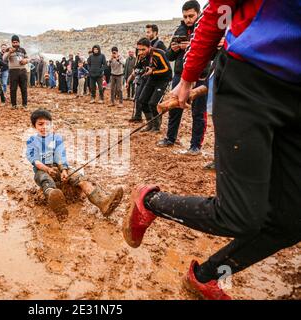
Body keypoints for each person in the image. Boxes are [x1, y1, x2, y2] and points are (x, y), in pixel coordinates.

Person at [123, 0, 301, 300]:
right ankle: (150, 201)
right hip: (252, 79)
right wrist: (187, 78)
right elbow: (219, 12)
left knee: (291, 221)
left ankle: (206, 276)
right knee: (240, 215)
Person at [26, 109, 124, 219]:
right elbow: (35, 160)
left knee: (80, 179)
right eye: (40, 124)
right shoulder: (32, 141)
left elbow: (60, 155)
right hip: (42, 170)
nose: (44, 127)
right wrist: (47, 169)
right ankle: (57, 204)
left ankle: (103, 203)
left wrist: (63, 169)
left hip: (58, 167)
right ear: (34, 126)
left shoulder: (57, 138)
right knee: (45, 180)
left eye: (47, 124)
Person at [158, 0, 209, 155]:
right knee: (175, 108)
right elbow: (168, 56)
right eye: (185, 16)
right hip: (180, 75)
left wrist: (191, 47)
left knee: (198, 112)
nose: (188, 19)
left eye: (191, 16)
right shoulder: (179, 30)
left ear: (198, 14)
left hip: (201, 75)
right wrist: (173, 49)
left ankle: (195, 145)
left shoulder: (205, 28)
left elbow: (210, 50)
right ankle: (170, 138)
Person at [128, 38, 172, 132]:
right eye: (139, 49)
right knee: (142, 101)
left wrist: (153, 72)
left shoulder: (158, 53)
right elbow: (137, 67)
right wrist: (136, 72)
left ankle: (156, 126)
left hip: (163, 80)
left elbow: (167, 70)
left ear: (149, 47)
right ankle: (150, 124)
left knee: (153, 103)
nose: (140, 52)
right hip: (151, 79)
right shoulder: (140, 55)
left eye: (143, 49)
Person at [3, 35, 28, 109]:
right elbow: (4, 58)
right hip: (13, 71)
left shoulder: (23, 50)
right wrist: (9, 53)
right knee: (13, 89)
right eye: (13, 42)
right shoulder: (8, 49)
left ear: (19, 42)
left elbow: (27, 58)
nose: (15, 44)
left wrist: (25, 61)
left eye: (16, 42)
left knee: (24, 88)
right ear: (11, 42)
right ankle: (13, 105)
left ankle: (25, 104)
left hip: (23, 70)